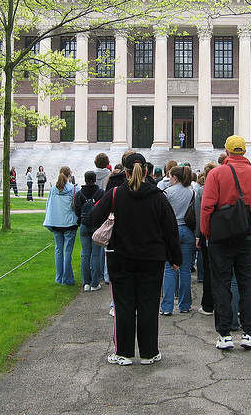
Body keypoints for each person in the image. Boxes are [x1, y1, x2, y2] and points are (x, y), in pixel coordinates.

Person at [90, 153, 182, 366]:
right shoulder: (158, 197)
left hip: (121, 258)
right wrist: (175, 258)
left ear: (126, 172)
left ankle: (123, 353)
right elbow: (170, 230)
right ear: (148, 172)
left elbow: (94, 218)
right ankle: (149, 352)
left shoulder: (115, 194)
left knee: (124, 305)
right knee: (149, 304)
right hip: (152, 259)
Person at [200, 135, 251, 350]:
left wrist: (207, 233)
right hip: (248, 238)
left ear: (228, 151)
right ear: (244, 152)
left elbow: (207, 207)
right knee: (247, 284)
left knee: (221, 285)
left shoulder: (216, 174)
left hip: (220, 239)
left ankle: (224, 334)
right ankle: (249, 333)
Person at [160, 165, 195, 315]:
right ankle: (185, 304)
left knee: (169, 269)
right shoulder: (191, 192)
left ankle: (167, 306)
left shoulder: (168, 192)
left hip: (171, 231)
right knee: (185, 269)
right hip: (187, 230)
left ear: (175, 177)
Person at [43, 166, 78, 285]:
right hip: (69, 223)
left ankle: (59, 277)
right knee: (67, 251)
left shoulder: (53, 189)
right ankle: (67, 278)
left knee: (58, 250)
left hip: (56, 223)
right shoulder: (73, 189)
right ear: (69, 175)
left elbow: (48, 206)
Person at [74, 171, 105, 291]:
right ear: (95, 179)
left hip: (84, 225)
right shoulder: (100, 193)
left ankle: (86, 282)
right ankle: (94, 283)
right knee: (96, 254)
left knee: (85, 254)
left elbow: (77, 210)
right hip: (96, 224)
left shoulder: (80, 194)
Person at [195, 162, 217, 316]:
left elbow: (200, 214)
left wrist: (200, 233)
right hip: (222, 232)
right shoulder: (222, 187)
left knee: (209, 269)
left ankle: (208, 304)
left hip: (206, 232)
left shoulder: (202, 190)